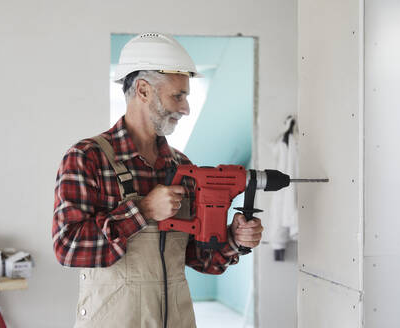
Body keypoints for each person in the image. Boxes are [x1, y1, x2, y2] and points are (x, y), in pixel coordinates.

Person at [52, 32, 264, 328]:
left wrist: (232, 239)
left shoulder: (182, 166)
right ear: (142, 90)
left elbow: (198, 257)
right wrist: (144, 211)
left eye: (187, 97)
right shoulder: (87, 158)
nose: (186, 108)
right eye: (178, 95)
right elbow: (68, 247)